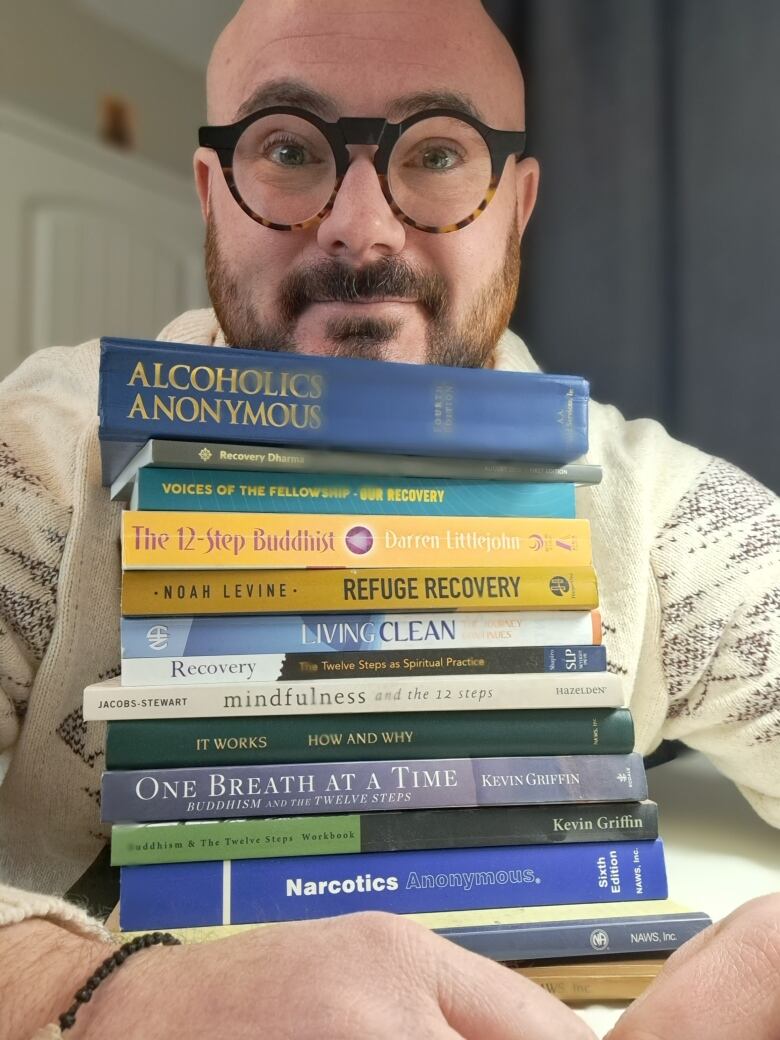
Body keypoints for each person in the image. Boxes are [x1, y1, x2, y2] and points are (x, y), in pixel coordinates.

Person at [0, 0, 777, 1036]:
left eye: (439, 154)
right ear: (208, 194)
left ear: (519, 203)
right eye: (287, 147)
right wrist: (103, 992)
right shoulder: (42, 468)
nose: (363, 232)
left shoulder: (664, 517)